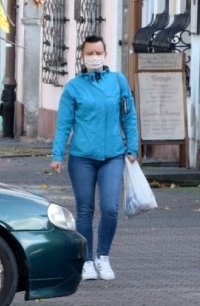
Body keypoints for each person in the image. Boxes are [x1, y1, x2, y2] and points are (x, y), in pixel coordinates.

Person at [50, 35, 138, 281]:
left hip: (113, 155)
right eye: (90, 53)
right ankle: (87, 261)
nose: (94, 57)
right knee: (85, 209)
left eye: (98, 52)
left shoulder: (118, 82)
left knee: (110, 208)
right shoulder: (74, 87)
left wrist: (132, 147)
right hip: (82, 157)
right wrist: (58, 154)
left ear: (105, 54)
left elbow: (129, 116)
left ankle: (103, 257)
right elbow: (64, 124)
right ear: (82, 56)